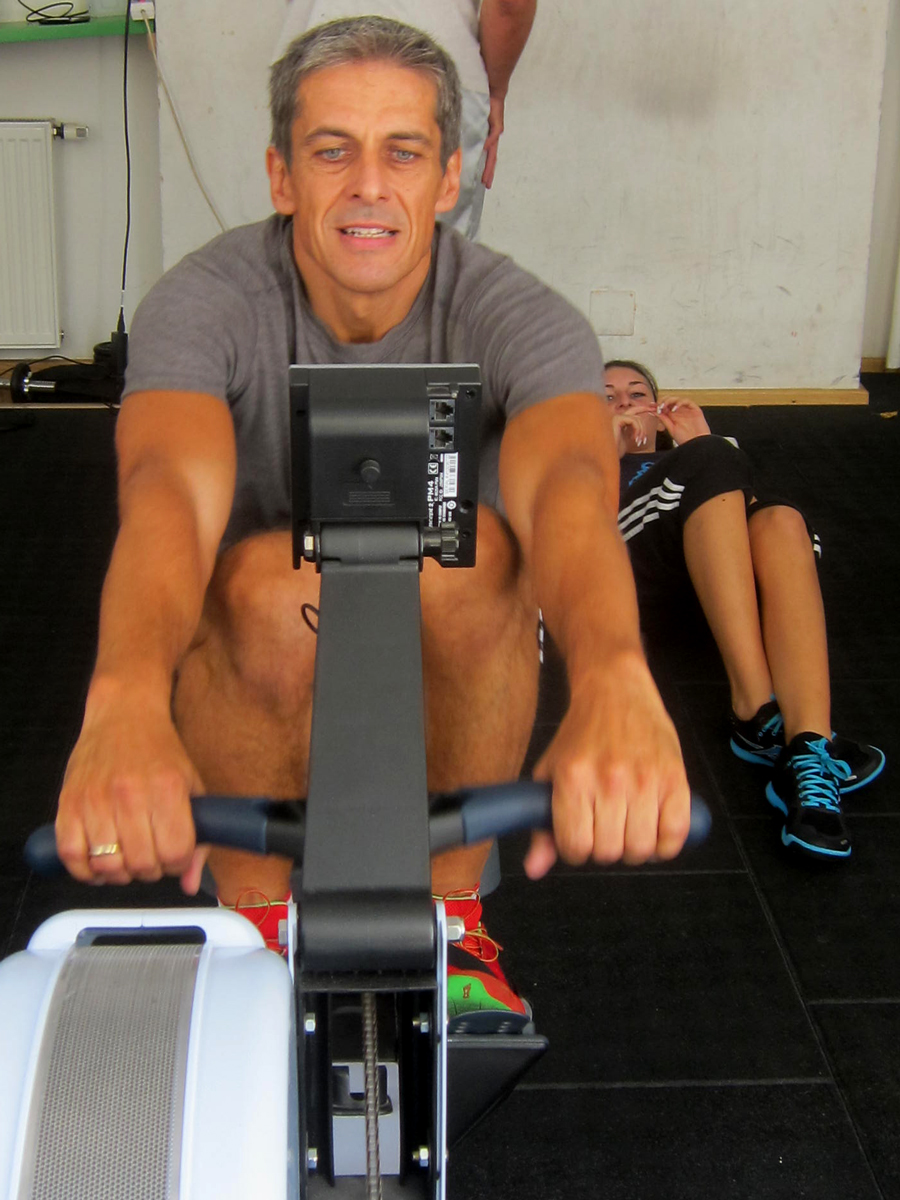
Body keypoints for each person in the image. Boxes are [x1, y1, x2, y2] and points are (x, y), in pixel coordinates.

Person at [53, 18, 690, 1029]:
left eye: (402, 152)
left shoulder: (521, 317)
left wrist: (615, 674)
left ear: (448, 179)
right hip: (256, 638)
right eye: (330, 151)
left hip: (449, 625)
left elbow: (570, 486)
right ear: (281, 175)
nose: (367, 187)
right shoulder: (206, 302)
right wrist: (121, 698)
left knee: (489, 559)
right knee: (259, 580)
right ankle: (258, 927)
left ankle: (453, 921)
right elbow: (166, 491)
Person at [604, 359, 885, 861]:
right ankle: (754, 708)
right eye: (605, 396)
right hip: (631, 574)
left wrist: (698, 441)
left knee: (780, 521)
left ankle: (808, 747)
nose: (624, 402)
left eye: (637, 393)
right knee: (715, 458)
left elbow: (746, 519)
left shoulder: (694, 460)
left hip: (714, 582)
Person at [273, 0, 537, 240]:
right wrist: (496, 92)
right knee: (430, 259)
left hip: (311, 60)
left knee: (318, 250)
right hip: (437, 67)